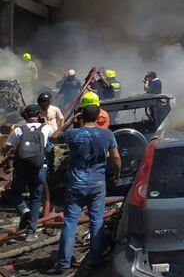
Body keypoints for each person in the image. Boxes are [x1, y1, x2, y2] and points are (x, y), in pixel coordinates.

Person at [50, 104, 120, 271]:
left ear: (81, 117)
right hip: (97, 184)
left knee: (70, 221)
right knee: (97, 220)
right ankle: (95, 259)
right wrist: (116, 175)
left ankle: (64, 262)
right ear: (98, 118)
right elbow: (116, 158)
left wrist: (69, 122)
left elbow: (53, 137)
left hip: (75, 184)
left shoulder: (73, 134)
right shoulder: (107, 134)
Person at [2, 104, 52, 241]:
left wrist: (5, 154)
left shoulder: (19, 130)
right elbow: (54, 141)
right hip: (40, 167)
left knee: (16, 193)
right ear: (39, 114)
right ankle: (31, 232)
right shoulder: (46, 128)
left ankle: (24, 210)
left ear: (26, 115)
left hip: (21, 168)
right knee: (36, 198)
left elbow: (7, 147)